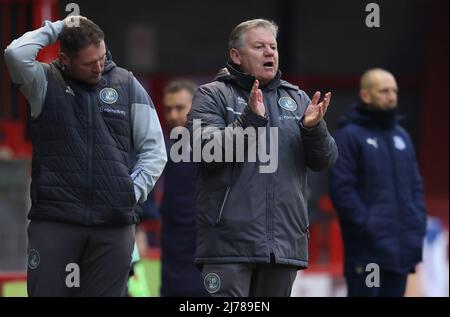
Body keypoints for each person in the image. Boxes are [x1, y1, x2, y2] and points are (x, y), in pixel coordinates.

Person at [4, 16, 167, 296]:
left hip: (113, 227)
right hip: (55, 222)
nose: (99, 66)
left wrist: (129, 191)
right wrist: (57, 27)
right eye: (89, 63)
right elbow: (14, 54)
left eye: (102, 57)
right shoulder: (43, 82)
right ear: (65, 59)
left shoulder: (127, 84)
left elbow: (155, 150)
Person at [187, 19, 338, 297]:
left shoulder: (298, 98)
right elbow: (205, 151)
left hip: (282, 246)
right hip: (228, 246)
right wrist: (250, 121)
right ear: (236, 55)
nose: (270, 53)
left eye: (273, 47)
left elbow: (325, 159)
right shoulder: (212, 95)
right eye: (259, 47)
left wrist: (312, 129)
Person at [329, 68, 427, 297]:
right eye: (384, 91)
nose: (391, 96)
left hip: (401, 250)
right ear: (365, 95)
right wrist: (367, 224)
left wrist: (417, 222)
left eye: (394, 91)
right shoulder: (349, 136)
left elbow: (416, 185)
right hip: (368, 252)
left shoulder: (402, 136)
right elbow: (341, 190)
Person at [159, 80, 208, 297]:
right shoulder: (164, 148)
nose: (173, 115)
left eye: (180, 107)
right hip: (172, 251)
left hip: (207, 250)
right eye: (168, 108)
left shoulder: (216, 146)